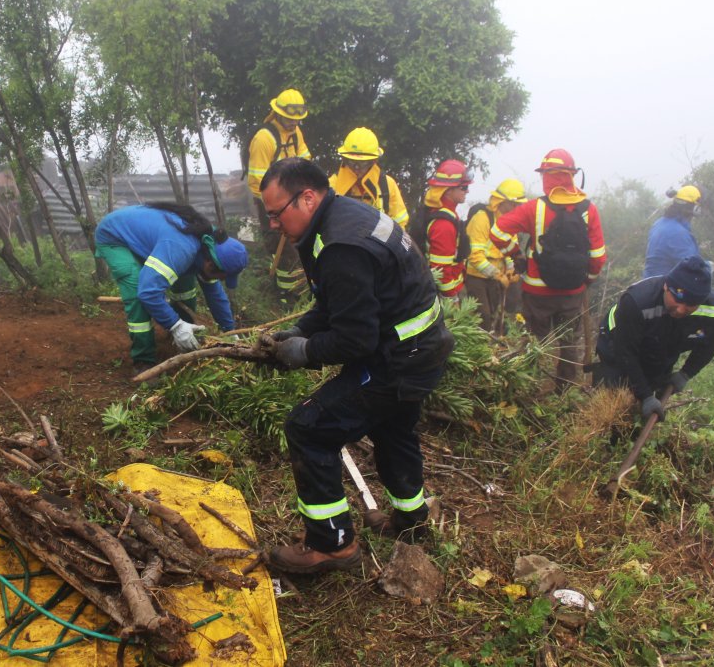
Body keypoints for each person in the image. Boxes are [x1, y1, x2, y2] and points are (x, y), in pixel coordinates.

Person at [259, 157, 453, 575]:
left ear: (307, 197)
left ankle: (332, 544)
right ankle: (413, 522)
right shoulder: (343, 214)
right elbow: (338, 306)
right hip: (420, 346)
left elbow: (354, 339)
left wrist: (304, 352)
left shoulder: (340, 245)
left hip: (399, 357)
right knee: (393, 428)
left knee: (308, 428)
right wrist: (297, 330)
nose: (273, 224)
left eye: (277, 214)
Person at [490, 148, 607, 389]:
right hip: (573, 292)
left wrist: (515, 253)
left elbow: (497, 232)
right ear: (572, 176)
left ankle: (530, 386)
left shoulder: (535, 208)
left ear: (545, 176)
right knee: (569, 343)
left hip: (537, 292)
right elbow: (598, 255)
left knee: (535, 340)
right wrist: (589, 279)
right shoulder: (589, 209)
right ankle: (564, 390)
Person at [94, 203, 248, 373]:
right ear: (210, 263)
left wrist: (230, 331)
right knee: (138, 293)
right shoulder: (182, 248)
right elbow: (148, 292)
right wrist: (175, 325)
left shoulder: (210, 244)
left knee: (185, 286)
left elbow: (215, 294)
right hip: (116, 237)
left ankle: (182, 339)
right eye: (221, 277)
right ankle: (144, 362)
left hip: (150, 237)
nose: (220, 281)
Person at [594, 256, 714, 423]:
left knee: (644, 408)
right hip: (616, 347)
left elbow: (711, 343)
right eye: (677, 300)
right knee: (612, 407)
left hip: (661, 348)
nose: (680, 309)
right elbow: (625, 353)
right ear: (666, 286)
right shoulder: (637, 301)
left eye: (690, 305)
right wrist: (646, 395)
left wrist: (686, 373)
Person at [246, 89, 311, 299]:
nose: (294, 123)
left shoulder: (295, 133)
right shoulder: (264, 139)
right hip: (270, 203)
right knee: (284, 250)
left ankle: (292, 286)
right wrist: (275, 209)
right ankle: (285, 294)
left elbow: (305, 161)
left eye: (297, 119)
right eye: (289, 119)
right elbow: (256, 181)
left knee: (297, 245)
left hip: (292, 199)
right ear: (278, 113)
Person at [464, 179, 526, 333]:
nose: (517, 208)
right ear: (502, 201)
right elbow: (474, 256)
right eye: (514, 204)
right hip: (476, 276)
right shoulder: (482, 218)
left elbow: (511, 250)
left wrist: (511, 270)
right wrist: (497, 275)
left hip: (496, 277)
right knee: (482, 316)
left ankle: (489, 349)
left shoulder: (509, 222)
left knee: (492, 314)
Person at [328, 127, 409, 230]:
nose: (356, 168)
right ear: (344, 159)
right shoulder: (332, 184)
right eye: (352, 162)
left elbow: (400, 223)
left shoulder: (387, 185)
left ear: (374, 161)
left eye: (363, 163)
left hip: (376, 244)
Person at [418, 159, 471, 298]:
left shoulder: (443, 213)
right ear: (448, 191)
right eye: (463, 187)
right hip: (445, 293)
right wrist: (451, 298)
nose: (467, 191)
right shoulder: (443, 224)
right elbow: (441, 270)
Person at [643, 185, 704, 278]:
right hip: (665, 288)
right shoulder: (679, 233)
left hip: (650, 285)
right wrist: (708, 267)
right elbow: (692, 269)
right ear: (695, 209)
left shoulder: (659, 223)